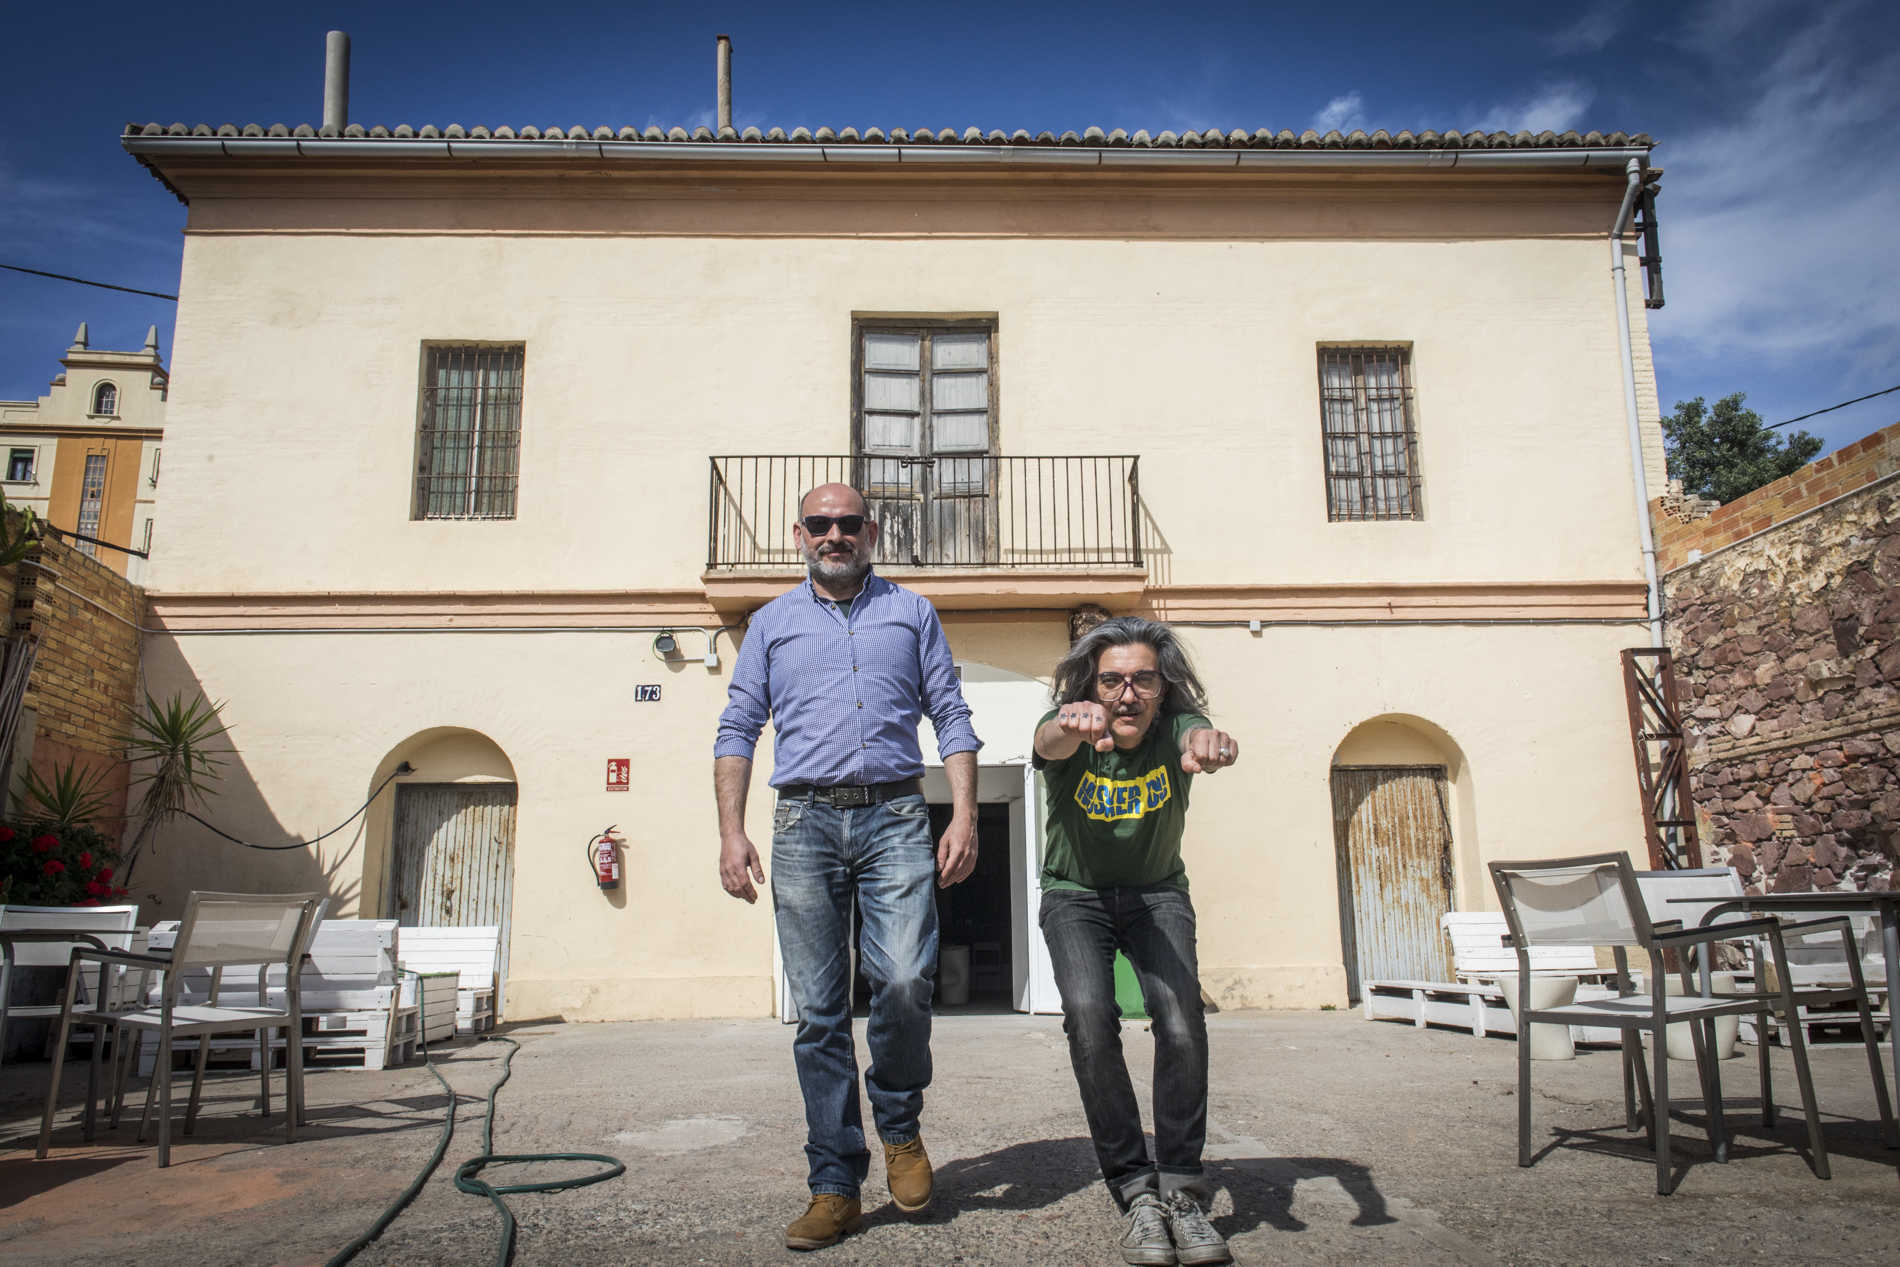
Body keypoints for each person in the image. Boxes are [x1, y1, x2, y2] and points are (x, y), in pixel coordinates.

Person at [714, 482, 981, 1251]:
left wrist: (964, 813)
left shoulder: (912, 612)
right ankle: (834, 1181)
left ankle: (899, 1127)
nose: (836, 534)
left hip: (897, 813)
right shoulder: (770, 624)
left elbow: (952, 714)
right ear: (800, 533)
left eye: (849, 523)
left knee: (903, 977)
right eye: (821, 524)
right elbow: (737, 727)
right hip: (802, 821)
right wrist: (731, 834)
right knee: (821, 1012)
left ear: (872, 532)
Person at [1031, 616, 1239, 1267]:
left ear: (1161, 687)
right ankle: (1134, 1188)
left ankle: (1179, 1186)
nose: (1127, 694)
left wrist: (1211, 743)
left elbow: (1198, 736)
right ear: (1092, 686)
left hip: (1156, 895)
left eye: (1142, 680)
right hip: (1075, 897)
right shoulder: (1072, 725)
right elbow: (1044, 742)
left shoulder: (1177, 725)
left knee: (1180, 1020)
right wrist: (1069, 725)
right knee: (1091, 1017)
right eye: (1112, 680)